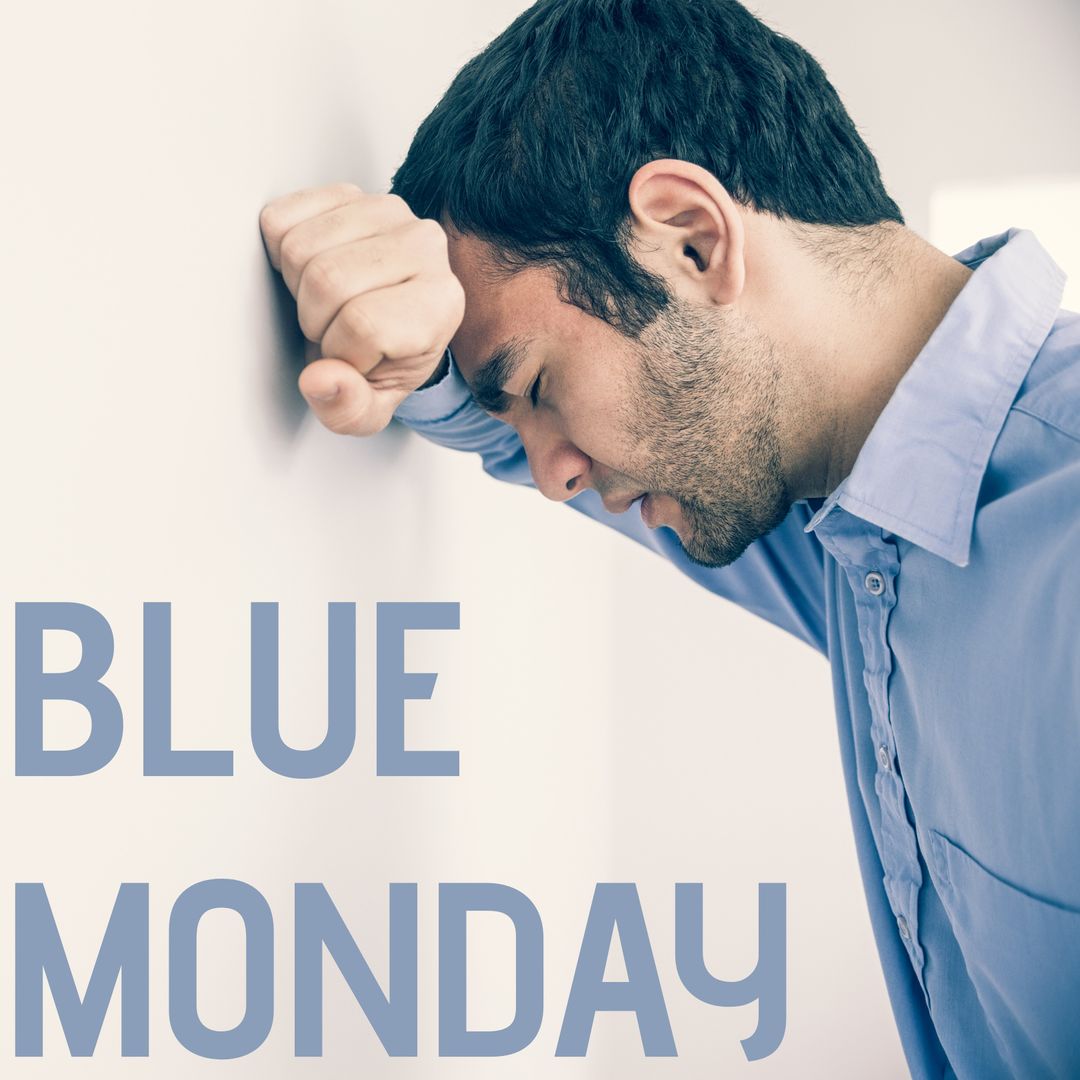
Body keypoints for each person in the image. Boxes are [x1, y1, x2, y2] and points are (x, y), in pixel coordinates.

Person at [258, 1, 1080, 1075]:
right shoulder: (853, 521)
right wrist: (415, 349)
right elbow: (496, 436)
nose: (552, 474)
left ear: (691, 237)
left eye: (540, 387)